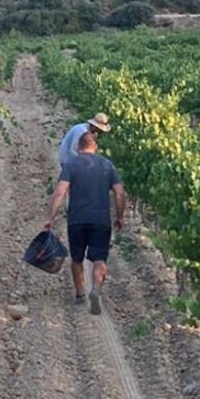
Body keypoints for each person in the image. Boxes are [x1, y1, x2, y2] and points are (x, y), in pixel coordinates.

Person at [43, 131, 126, 314]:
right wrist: (120, 216)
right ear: (95, 147)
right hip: (101, 220)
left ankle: (80, 295)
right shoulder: (107, 165)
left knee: (77, 258)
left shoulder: (71, 165)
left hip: (77, 220)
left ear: (78, 147)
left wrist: (49, 218)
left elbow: (59, 192)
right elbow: (119, 193)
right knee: (99, 258)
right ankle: (96, 289)